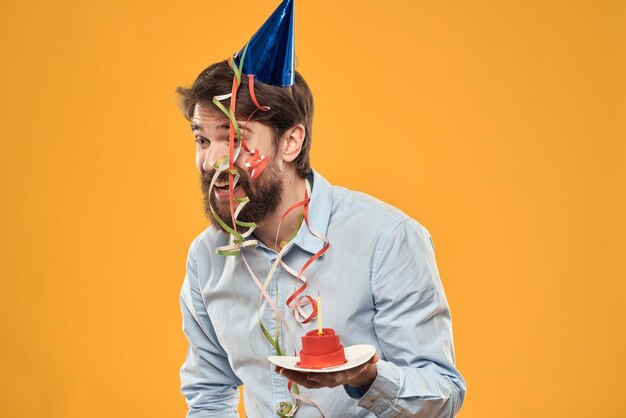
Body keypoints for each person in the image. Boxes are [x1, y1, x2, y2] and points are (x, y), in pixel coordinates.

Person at [177, 1, 465, 417]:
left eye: (235, 138)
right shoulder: (207, 259)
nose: (212, 162)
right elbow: (208, 396)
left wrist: (367, 378)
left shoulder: (386, 239)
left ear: (291, 142)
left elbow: (444, 395)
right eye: (202, 141)